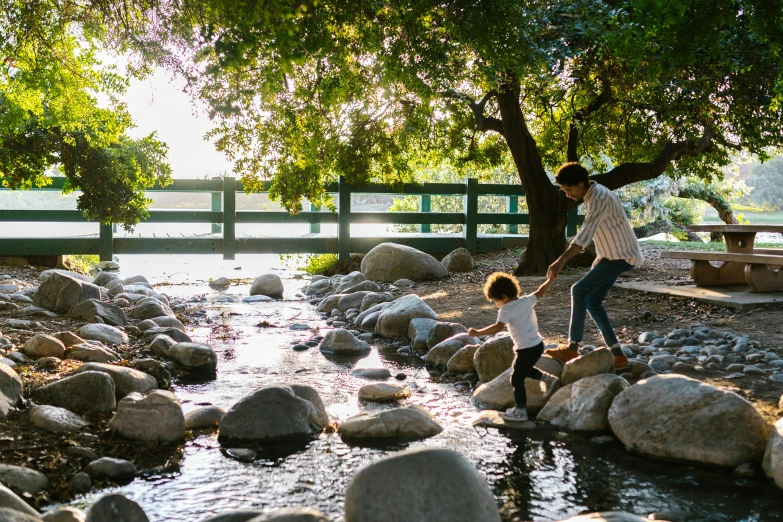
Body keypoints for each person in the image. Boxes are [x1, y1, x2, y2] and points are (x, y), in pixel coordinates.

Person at [543, 162, 644, 373]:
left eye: (569, 190)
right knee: (593, 301)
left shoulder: (599, 197)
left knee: (578, 290)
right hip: (612, 256)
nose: (568, 195)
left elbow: (584, 236)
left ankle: (572, 348)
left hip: (620, 256)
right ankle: (619, 357)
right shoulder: (592, 194)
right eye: (564, 191)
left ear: (581, 183)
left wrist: (560, 261)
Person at [468, 272, 555, 421]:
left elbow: (497, 328)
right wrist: (550, 279)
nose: (496, 304)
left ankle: (520, 411)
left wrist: (477, 333)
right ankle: (548, 379)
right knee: (523, 370)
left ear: (503, 296)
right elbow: (541, 291)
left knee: (516, 378)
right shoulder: (526, 300)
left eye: (496, 301)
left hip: (526, 349)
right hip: (538, 345)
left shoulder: (506, 309)